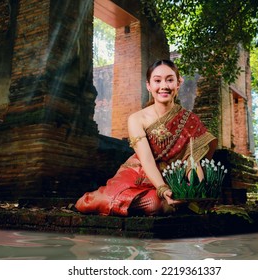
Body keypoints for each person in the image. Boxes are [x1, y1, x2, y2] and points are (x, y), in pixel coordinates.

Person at [75, 59, 217, 216]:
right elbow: (147, 160)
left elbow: (193, 162)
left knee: (164, 204)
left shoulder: (189, 120)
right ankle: (94, 198)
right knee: (150, 204)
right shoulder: (137, 119)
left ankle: (169, 202)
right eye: (157, 80)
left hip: (172, 176)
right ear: (149, 85)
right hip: (137, 173)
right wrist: (163, 189)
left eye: (170, 80)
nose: (164, 86)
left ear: (178, 83)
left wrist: (197, 189)